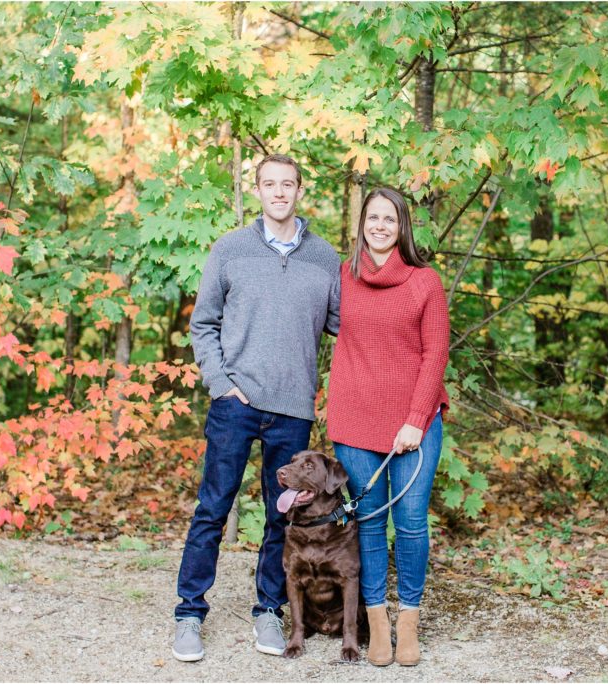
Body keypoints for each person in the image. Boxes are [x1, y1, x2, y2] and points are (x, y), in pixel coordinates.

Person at [172, 154, 341, 662]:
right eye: (269, 184)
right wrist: (222, 384)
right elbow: (203, 324)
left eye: (287, 184)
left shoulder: (326, 258)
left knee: (281, 516)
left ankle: (268, 609)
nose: (279, 193)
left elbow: (346, 328)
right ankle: (188, 613)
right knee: (213, 508)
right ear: (259, 191)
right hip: (236, 403)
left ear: (299, 190)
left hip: (293, 408)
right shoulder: (230, 249)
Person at [327, 187, 450, 668]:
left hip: (414, 426)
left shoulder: (424, 282)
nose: (379, 226)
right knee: (370, 523)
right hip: (355, 421)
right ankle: (376, 624)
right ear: (361, 224)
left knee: (413, 524)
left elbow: (435, 354)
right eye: (372, 218)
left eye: (389, 219)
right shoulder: (343, 276)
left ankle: (409, 622)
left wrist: (416, 420)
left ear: (402, 227)